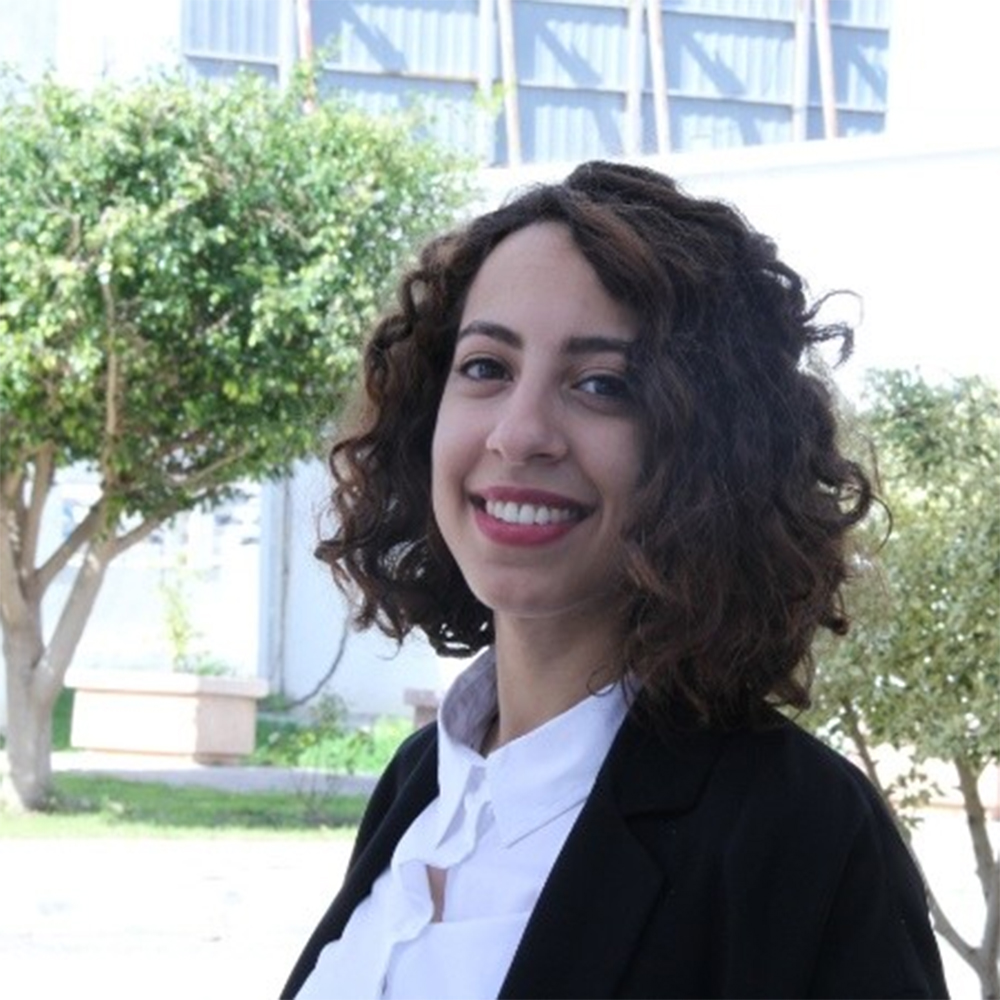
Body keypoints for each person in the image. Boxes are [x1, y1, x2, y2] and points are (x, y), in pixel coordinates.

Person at [281, 160, 947, 999]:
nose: (520, 434)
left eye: (602, 384)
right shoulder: (422, 781)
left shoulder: (801, 835)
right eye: (486, 366)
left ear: (710, 454)